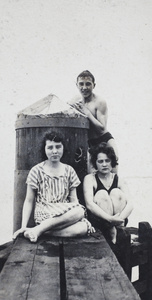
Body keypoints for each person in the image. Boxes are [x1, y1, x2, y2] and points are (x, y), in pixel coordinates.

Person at [13, 131, 94, 243]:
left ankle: (39, 231)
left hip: (64, 213)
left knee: (83, 225)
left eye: (58, 147)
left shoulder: (69, 170)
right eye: (50, 147)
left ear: (63, 148)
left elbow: (74, 200)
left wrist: (81, 218)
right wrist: (23, 226)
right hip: (45, 212)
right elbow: (29, 200)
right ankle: (39, 228)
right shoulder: (37, 170)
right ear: (44, 149)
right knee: (79, 214)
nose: (54, 151)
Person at [68, 70, 118, 173]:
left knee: (113, 172)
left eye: (88, 84)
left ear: (94, 85)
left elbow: (101, 128)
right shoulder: (75, 100)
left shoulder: (99, 102)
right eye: (81, 84)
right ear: (76, 85)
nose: (84, 87)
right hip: (90, 143)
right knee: (91, 173)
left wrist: (87, 113)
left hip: (104, 139)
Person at [83, 143, 133, 244]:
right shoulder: (90, 179)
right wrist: (109, 219)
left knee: (116, 193)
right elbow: (89, 204)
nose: (104, 164)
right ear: (95, 163)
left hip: (119, 222)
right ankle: (111, 231)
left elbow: (130, 204)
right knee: (102, 194)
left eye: (107, 161)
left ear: (112, 162)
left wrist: (118, 220)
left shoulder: (119, 180)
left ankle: (118, 231)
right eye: (100, 161)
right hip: (100, 222)